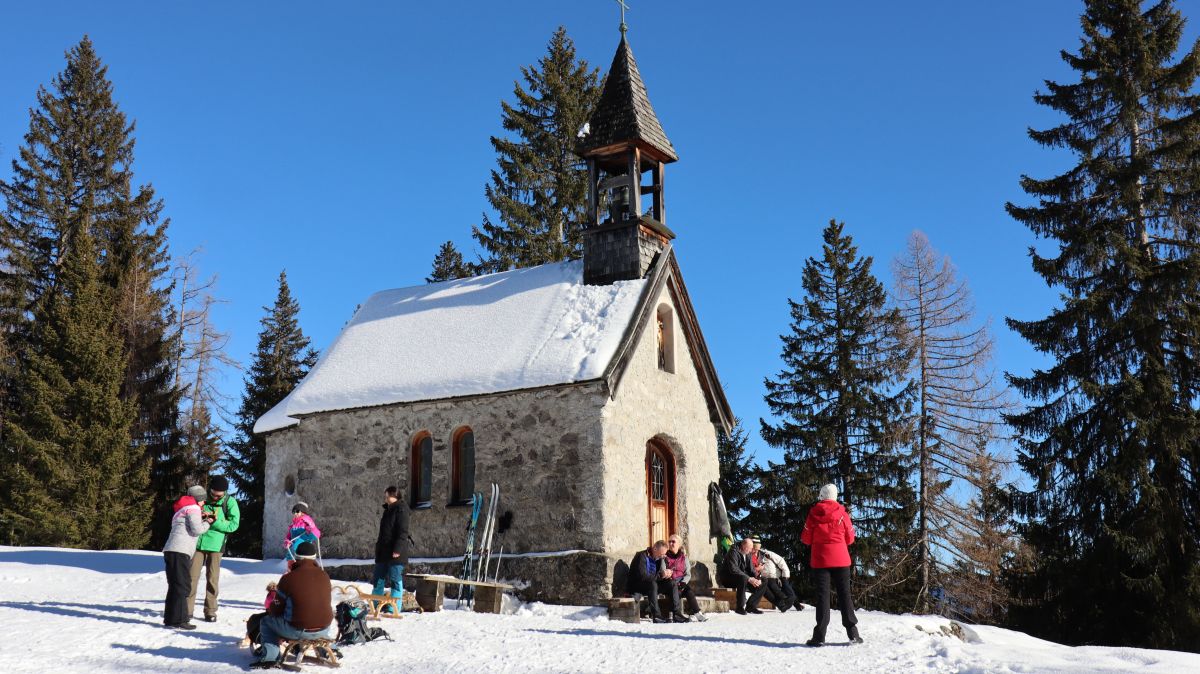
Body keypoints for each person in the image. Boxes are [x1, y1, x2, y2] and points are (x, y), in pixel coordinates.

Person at [252, 541, 336, 669]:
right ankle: (327, 650)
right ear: (314, 558)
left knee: (266, 622)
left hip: (298, 630)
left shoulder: (289, 578)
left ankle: (270, 658)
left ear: (296, 558)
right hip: (325, 628)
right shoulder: (324, 575)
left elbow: (275, 609)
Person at [800, 483, 862, 646]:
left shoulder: (813, 514)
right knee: (844, 595)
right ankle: (853, 634)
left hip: (820, 560)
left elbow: (805, 538)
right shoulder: (843, 514)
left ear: (821, 495)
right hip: (841, 560)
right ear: (835, 497)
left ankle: (819, 637)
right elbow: (850, 538)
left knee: (822, 597)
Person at [187, 475, 240, 622]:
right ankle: (187, 610)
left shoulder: (230, 502)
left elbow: (234, 525)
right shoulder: (203, 499)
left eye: (219, 495)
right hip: (198, 543)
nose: (216, 497)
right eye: (214, 493)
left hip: (216, 546)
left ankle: (210, 611)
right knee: (191, 578)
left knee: (212, 579)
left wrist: (214, 522)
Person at [162, 485, 212, 629]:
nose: (203, 503)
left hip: (171, 549)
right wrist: (208, 522)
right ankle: (180, 620)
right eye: (202, 500)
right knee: (182, 585)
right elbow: (197, 530)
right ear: (198, 499)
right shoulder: (194, 508)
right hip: (181, 551)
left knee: (174, 584)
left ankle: (170, 618)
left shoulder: (181, 509)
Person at [627, 540, 686, 623]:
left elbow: (659, 575)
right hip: (638, 586)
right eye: (662, 554)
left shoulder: (659, 558)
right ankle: (656, 615)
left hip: (652, 585)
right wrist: (661, 575)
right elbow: (643, 577)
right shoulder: (641, 556)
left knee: (672, 583)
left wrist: (667, 574)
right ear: (655, 549)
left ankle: (676, 613)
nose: (663, 556)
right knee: (652, 584)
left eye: (664, 554)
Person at [372, 486, 411, 610]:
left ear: (395, 496)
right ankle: (375, 605)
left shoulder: (401, 509)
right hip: (383, 551)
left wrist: (397, 549)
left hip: (395, 553)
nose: (386, 498)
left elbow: (403, 532)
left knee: (395, 579)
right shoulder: (387, 510)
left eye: (388, 495)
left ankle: (394, 608)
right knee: (378, 578)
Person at [664, 534, 707, 622]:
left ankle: (697, 613)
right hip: (670, 584)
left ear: (679, 544)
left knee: (688, 590)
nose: (671, 543)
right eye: (669, 541)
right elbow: (663, 571)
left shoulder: (684, 558)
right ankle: (675, 615)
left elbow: (687, 574)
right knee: (675, 592)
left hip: (681, 583)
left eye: (673, 542)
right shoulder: (665, 557)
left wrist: (683, 583)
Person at [719, 538, 767, 615]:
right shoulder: (733, 552)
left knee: (764, 580)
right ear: (744, 546)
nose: (751, 550)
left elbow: (751, 569)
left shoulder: (747, 553)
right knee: (743, 578)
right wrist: (749, 579)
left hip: (742, 578)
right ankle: (739, 607)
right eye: (750, 548)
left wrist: (758, 578)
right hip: (729, 579)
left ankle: (751, 606)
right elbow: (734, 570)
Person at [753, 539, 800, 612]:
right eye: (754, 549)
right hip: (764, 578)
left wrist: (786, 574)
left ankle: (788, 600)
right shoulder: (751, 556)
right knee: (770, 588)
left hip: (776, 576)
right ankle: (787, 602)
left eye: (756, 549)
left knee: (776, 586)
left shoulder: (767, 554)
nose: (755, 551)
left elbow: (781, 561)